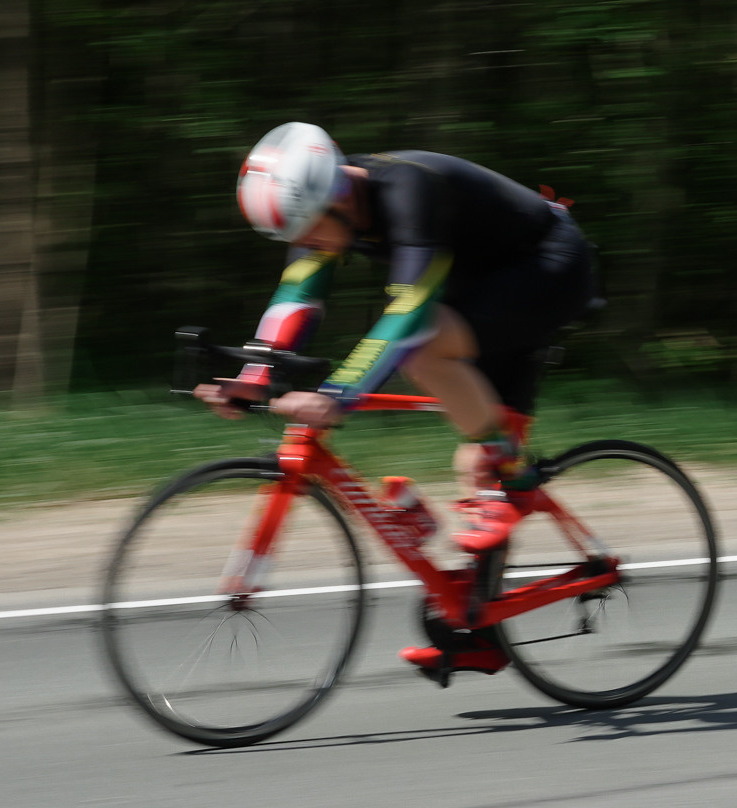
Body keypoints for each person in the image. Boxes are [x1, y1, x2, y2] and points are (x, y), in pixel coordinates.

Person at [198, 123, 598, 679]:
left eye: (308, 232)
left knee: (425, 349)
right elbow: (297, 294)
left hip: (549, 267)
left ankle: (518, 486)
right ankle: (478, 630)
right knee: (473, 461)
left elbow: (407, 313)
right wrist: (254, 375)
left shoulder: (409, 191)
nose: (306, 246)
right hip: (482, 281)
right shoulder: (329, 207)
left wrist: (338, 394)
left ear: (336, 198)